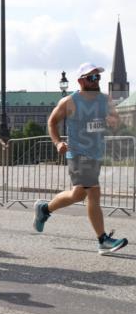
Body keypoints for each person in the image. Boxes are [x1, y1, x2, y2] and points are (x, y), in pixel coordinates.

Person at [34, 63, 127, 254]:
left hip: (97, 153)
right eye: (91, 78)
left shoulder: (104, 99)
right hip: (78, 154)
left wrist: (114, 122)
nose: (96, 81)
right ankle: (102, 240)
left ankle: (45, 209)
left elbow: (116, 121)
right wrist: (58, 142)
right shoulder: (70, 101)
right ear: (81, 81)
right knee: (93, 193)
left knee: (78, 195)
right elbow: (52, 122)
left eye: (98, 77)